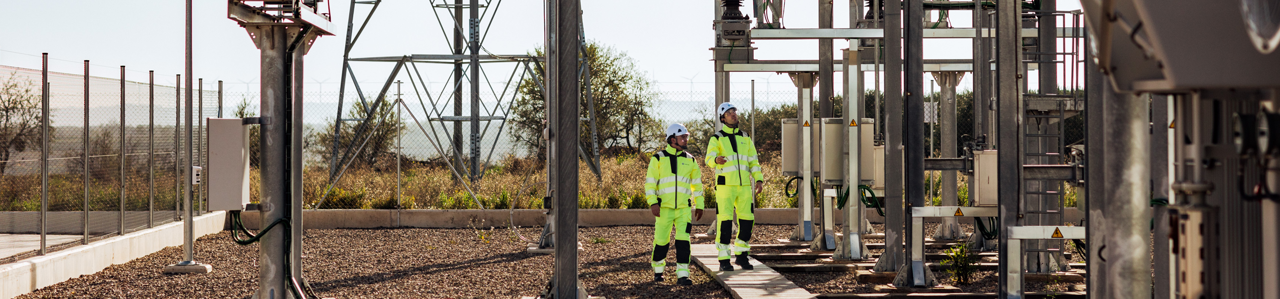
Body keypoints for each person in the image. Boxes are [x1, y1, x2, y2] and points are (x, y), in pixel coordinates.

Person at [705, 102, 763, 271]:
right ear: (722, 118)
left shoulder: (745, 137)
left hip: (744, 186)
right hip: (725, 187)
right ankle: (724, 260)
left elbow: (753, 161)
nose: (733, 114)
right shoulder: (716, 138)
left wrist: (758, 179)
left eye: (734, 112)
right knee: (724, 223)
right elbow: (708, 159)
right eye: (729, 112)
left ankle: (742, 256)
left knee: (747, 221)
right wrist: (715, 160)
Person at [645, 123, 705, 286]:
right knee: (662, 241)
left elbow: (697, 185)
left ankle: (683, 275)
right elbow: (650, 183)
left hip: (684, 210)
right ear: (672, 139)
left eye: (686, 136)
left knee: (683, 241)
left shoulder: (690, 160)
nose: (686, 139)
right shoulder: (658, 158)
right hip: (663, 209)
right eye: (682, 137)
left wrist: (699, 204)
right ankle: (658, 271)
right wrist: (653, 203)